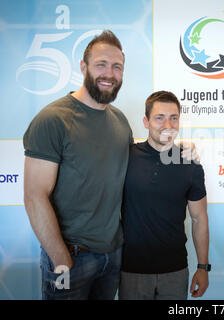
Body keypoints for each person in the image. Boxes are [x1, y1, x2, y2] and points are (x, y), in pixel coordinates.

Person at [23, 30, 132, 300]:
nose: (109, 73)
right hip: (70, 258)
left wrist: (173, 149)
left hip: (113, 257)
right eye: (101, 64)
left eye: (117, 66)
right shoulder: (53, 120)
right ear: (83, 67)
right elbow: (34, 196)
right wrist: (60, 256)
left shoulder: (121, 122)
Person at [119, 90, 210, 300]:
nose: (168, 125)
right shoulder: (126, 157)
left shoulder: (190, 163)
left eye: (173, 118)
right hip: (131, 269)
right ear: (146, 121)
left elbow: (199, 218)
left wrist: (203, 267)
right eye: (159, 118)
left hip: (175, 270)